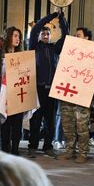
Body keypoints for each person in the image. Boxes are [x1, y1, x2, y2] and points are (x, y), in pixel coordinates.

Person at [27, 10, 68, 158]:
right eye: (43, 34)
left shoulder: (54, 49)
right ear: (39, 36)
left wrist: (61, 19)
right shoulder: (33, 46)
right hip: (37, 88)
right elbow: (36, 27)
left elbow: (65, 37)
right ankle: (32, 147)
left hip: (51, 90)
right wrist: (51, 17)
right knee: (36, 120)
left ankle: (48, 147)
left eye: (47, 34)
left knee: (50, 121)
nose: (45, 36)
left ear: (50, 37)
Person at [58, 27, 93, 163]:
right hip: (67, 94)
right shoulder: (69, 52)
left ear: (86, 38)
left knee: (82, 126)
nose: (75, 37)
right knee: (67, 125)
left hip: (82, 96)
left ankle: (83, 153)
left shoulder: (93, 54)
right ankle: (69, 150)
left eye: (78, 35)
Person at [0, 26, 24, 155]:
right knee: (5, 122)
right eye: (15, 36)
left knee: (17, 123)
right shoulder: (0, 55)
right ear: (8, 37)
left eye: (19, 36)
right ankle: (4, 149)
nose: (17, 39)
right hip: (5, 93)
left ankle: (15, 149)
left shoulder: (22, 56)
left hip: (18, 92)